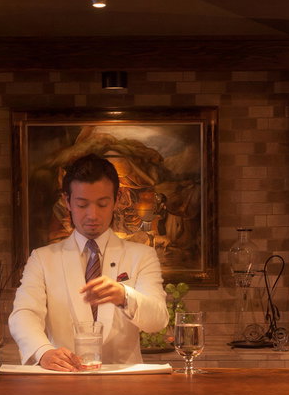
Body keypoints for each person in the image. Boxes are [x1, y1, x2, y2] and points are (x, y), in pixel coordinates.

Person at [9, 153, 170, 370]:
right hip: (63, 380)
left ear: (116, 200)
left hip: (124, 384)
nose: (92, 215)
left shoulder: (142, 255)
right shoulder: (43, 258)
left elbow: (158, 319)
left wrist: (124, 296)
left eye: (102, 204)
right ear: (67, 201)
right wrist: (43, 351)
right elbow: (24, 313)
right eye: (82, 204)